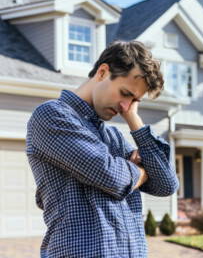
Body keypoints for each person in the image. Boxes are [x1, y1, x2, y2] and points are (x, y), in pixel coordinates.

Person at [26, 40, 179, 257]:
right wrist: (142, 173)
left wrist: (134, 120)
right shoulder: (52, 116)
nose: (125, 106)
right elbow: (110, 176)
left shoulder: (113, 136)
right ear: (103, 72)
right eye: (125, 93)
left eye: (135, 101)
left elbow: (167, 184)